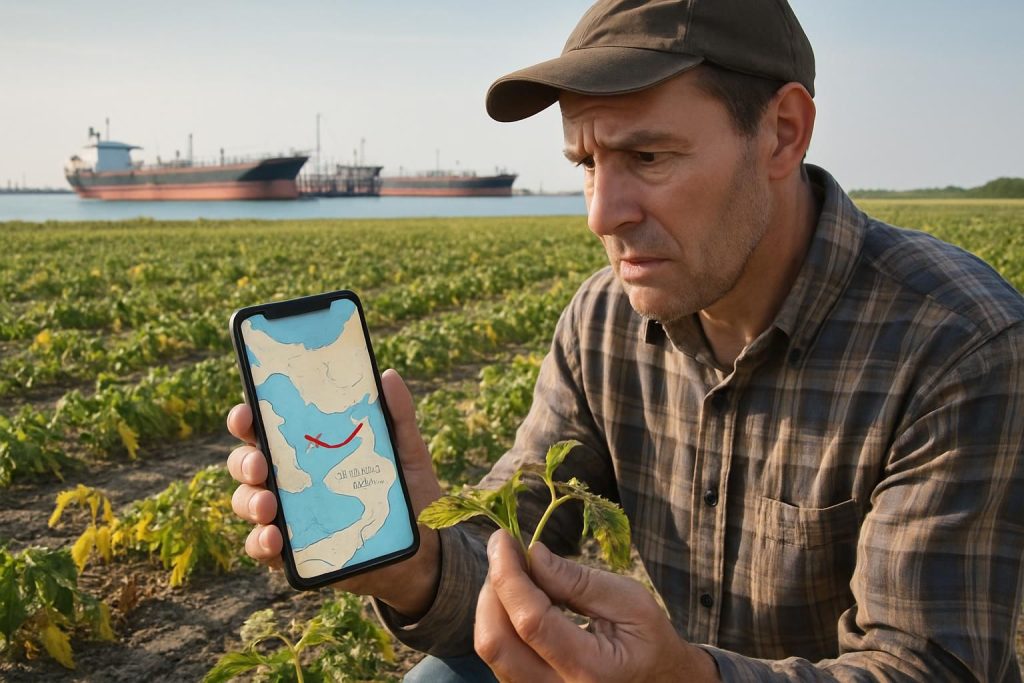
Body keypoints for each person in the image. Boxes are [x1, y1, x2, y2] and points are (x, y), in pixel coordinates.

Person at [227, 0, 1024, 680]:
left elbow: (925, 665)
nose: (601, 214)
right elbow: (521, 530)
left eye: (647, 156)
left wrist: (683, 675)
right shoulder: (603, 319)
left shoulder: (956, 344)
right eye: (586, 161)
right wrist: (417, 563)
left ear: (782, 134)